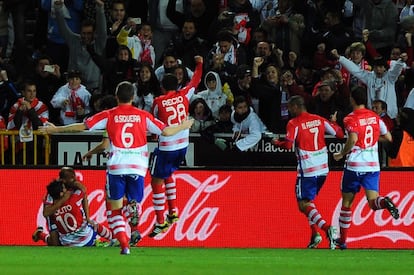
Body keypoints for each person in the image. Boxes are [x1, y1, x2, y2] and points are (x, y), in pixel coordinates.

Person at [40, 81, 194, 255]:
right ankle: (133, 210)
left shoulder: (109, 115)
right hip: (138, 166)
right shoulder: (142, 115)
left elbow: (82, 126)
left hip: (117, 165)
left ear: (116, 97)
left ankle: (124, 246)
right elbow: (166, 132)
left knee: (114, 210)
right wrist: (184, 126)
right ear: (133, 97)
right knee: (131, 202)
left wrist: (56, 129)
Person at [272, 95, 344, 249]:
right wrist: (334, 122)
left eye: (290, 108)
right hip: (323, 168)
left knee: (302, 204)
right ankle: (314, 235)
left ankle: (327, 229)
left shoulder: (294, 123)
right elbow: (339, 134)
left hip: (308, 169)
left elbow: (288, 145)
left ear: (296, 107)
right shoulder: (319, 119)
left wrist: (276, 142)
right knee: (308, 203)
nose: (289, 111)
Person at [333, 86, 400, 250]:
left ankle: (342, 241)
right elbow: (388, 137)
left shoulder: (350, 118)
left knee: (347, 203)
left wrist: (341, 154)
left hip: (355, 165)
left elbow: (353, 139)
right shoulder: (376, 117)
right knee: (373, 203)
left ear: (352, 100)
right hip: (372, 165)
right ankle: (384, 201)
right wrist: (372, 140)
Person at [148, 55, 203, 237]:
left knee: (156, 181)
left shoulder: (158, 101)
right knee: (168, 174)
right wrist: (200, 64)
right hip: (183, 146)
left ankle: (160, 222)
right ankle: (173, 212)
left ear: (163, 87)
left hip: (167, 147)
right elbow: (196, 80)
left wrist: (155, 135)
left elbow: (154, 123)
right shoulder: (184, 95)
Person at [331, 49, 407, 120]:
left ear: (385, 68)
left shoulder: (390, 77)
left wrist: (401, 61)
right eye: (376, 67)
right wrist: (340, 58)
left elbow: (396, 69)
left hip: (390, 116)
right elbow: (354, 69)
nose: (378, 69)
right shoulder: (369, 77)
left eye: (380, 67)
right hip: (372, 115)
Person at [34, 179, 113, 247]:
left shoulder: (52, 207)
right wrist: (76, 184)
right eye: (64, 188)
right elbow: (83, 190)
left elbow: (45, 212)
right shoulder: (73, 199)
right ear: (61, 193)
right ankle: (114, 239)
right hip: (86, 239)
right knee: (93, 224)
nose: (66, 190)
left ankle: (41, 235)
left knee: (56, 243)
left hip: (66, 243)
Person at [54, 0, 107, 93]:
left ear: (94, 34)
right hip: (73, 87)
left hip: (93, 88)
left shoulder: (98, 44)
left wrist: (100, 9)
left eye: (89, 33)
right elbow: (63, 28)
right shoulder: (74, 40)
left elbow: (102, 31)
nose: (86, 36)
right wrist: (58, 9)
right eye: (83, 33)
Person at [7, 81, 49, 164]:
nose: (32, 94)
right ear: (23, 92)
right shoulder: (16, 106)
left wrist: (30, 110)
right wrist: (19, 112)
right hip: (20, 146)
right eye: (29, 91)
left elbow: (40, 125)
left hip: (37, 146)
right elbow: (13, 126)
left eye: (34, 91)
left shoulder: (41, 106)